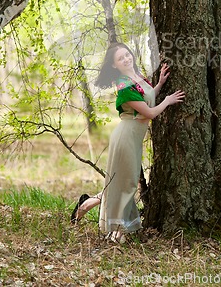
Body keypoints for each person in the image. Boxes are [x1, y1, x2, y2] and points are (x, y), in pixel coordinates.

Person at [70, 42, 185, 243]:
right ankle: (117, 230)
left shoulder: (138, 78)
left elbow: (147, 101)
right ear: (114, 65)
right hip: (125, 138)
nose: (126, 59)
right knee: (127, 183)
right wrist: (167, 100)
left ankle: (85, 206)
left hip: (133, 137)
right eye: (120, 58)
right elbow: (149, 112)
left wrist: (158, 85)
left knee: (118, 182)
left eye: (127, 54)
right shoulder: (124, 85)